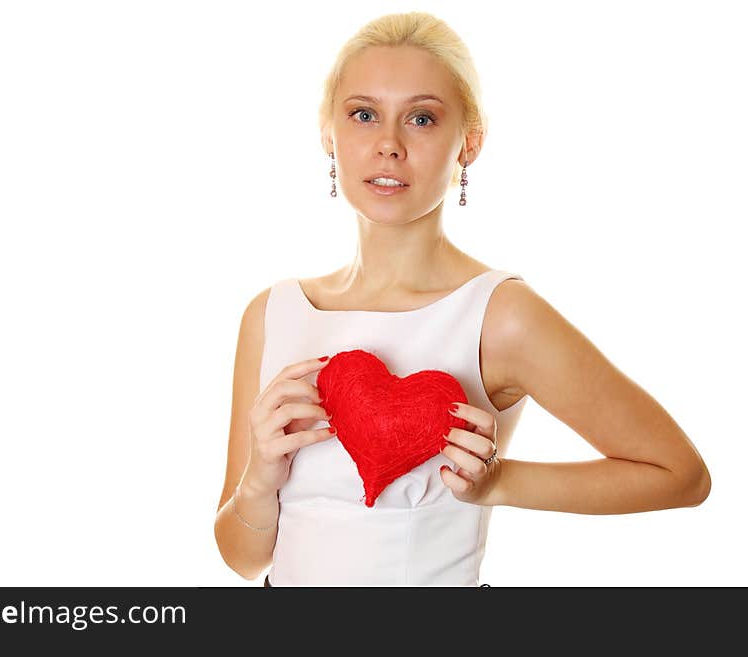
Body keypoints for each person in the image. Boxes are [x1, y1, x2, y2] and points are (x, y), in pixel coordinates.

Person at [213, 11, 711, 587]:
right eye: (364, 114)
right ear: (329, 133)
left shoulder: (501, 315)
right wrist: (259, 480)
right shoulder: (271, 315)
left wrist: (499, 483)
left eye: (421, 118)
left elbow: (679, 473)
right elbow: (243, 560)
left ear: (468, 144)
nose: (388, 145)